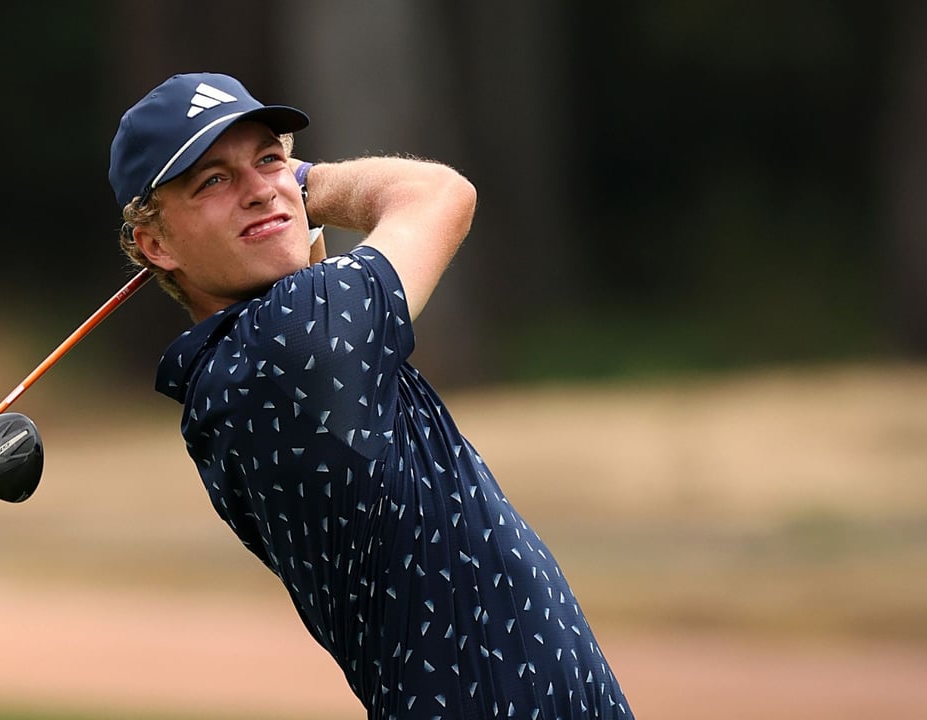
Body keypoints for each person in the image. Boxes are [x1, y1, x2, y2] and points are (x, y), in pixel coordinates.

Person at [109, 72, 633, 720]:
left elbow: (307, 267)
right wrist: (301, 185)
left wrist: (275, 205)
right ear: (154, 244)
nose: (257, 189)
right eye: (213, 179)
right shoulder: (290, 342)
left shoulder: (241, 365)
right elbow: (439, 194)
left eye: (268, 156)